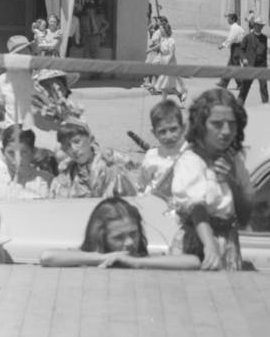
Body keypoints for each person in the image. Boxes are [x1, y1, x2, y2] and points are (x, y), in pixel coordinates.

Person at [170, 88, 254, 271]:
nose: (226, 131)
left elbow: (245, 217)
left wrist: (232, 181)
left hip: (228, 244)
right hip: (197, 245)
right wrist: (210, 246)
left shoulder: (236, 161)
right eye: (217, 124)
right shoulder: (191, 161)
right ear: (201, 125)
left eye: (232, 124)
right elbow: (197, 208)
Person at [39, 196, 200, 269]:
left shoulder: (144, 260)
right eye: (119, 237)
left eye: (133, 234)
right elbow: (47, 256)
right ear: (100, 237)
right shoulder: (84, 259)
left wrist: (137, 262)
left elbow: (193, 261)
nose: (129, 243)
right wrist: (103, 258)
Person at [50, 118, 119, 198]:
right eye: (67, 145)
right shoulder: (65, 174)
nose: (73, 149)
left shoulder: (109, 168)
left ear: (91, 139)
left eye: (77, 141)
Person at [0, 126, 52, 201]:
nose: (17, 159)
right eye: (11, 153)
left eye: (24, 152)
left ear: (33, 152)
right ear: (3, 152)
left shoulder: (46, 180)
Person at [138, 99, 186, 195]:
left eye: (173, 129)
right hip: (157, 204)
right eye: (162, 131)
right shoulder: (151, 156)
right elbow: (142, 185)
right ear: (154, 133)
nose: (168, 136)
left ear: (183, 128)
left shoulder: (189, 153)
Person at [152, 17, 187, 103]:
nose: (159, 30)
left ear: (165, 30)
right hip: (164, 61)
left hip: (170, 63)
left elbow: (171, 53)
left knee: (165, 85)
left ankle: (164, 100)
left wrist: (167, 62)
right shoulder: (163, 39)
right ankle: (179, 95)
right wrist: (150, 50)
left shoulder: (171, 41)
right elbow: (159, 47)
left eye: (161, 28)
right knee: (167, 86)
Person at [239, 18, 269, 104]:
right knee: (246, 85)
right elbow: (241, 50)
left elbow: (265, 52)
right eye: (258, 25)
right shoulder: (247, 37)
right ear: (255, 26)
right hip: (250, 64)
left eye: (261, 26)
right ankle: (240, 102)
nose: (260, 27)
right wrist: (244, 59)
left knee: (263, 85)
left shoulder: (264, 38)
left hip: (261, 65)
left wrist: (265, 65)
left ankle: (266, 103)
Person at [219, 13, 246, 89]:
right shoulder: (237, 27)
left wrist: (223, 45)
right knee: (230, 65)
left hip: (236, 47)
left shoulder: (234, 28)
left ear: (233, 19)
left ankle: (240, 83)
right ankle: (224, 82)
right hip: (236, 46)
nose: (228, 20)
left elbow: (231, 38)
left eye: (229, 18)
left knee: (235, 66)